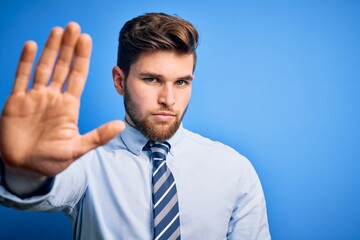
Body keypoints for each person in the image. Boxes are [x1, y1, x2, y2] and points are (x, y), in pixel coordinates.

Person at [0, 13, 270, 239]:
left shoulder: (234, 170)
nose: (168, 99)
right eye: (152, 79)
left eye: (181, 82)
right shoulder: (86, 162)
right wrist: (26, 172)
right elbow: (41, 189)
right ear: (120, 80)